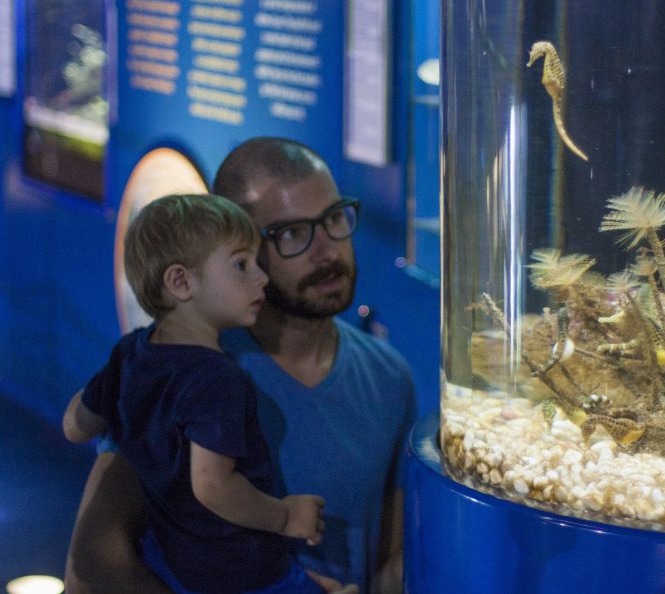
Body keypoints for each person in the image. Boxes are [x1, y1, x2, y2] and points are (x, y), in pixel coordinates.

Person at [64, 138, 417, 594]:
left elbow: (390, 561)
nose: (327, 249)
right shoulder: (177, 367)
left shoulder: (390, 378)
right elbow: (90, 572)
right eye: (291, 233)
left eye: (333, 219)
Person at [62, 194, 327, 593]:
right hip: (242, 572)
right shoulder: (215, 378)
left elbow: (74, 426)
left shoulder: (131, 352)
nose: (262, 277)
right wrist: (286, 517)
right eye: (241, 264)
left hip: (170, 559)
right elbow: (213, 486)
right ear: (181, 282)